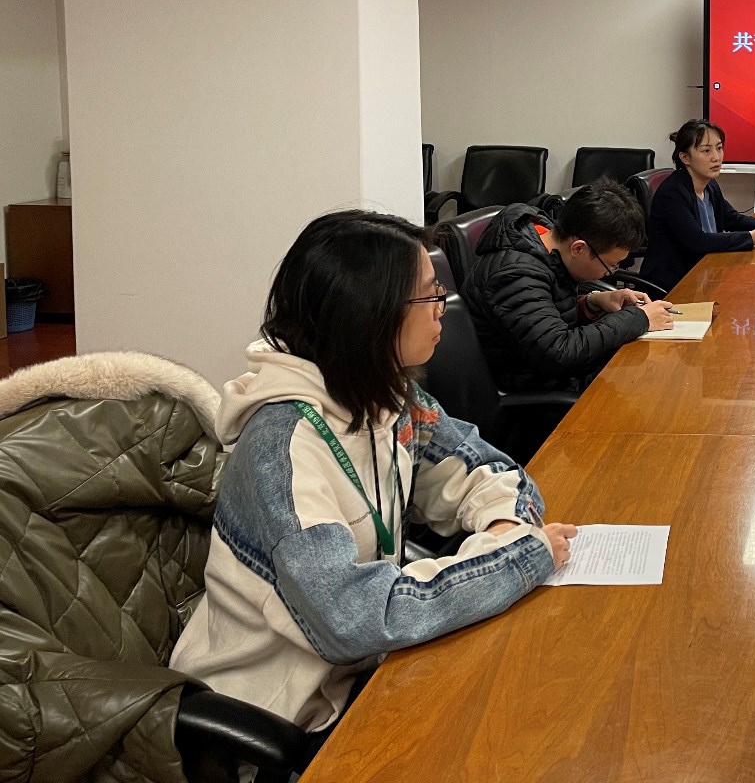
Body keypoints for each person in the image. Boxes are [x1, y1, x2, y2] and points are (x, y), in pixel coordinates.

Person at [170, 210, 577, 733]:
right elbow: (355, 619)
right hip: (286, 710)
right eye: (429, 295)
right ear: (370, 314)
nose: (442, 309)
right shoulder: (283, 450)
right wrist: (515, 558)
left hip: (370, 672)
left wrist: (503, 528)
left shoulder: (386, 396)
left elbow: (491, 470)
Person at [466, 179, 674, 394]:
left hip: (562, 375)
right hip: (539, 393)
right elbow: (558, 351)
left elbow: (547, 313)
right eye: (611, 265)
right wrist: (638, 319)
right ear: (578, 248)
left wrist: (591, 303)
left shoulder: (547, 240)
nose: (611, 273)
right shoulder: (515, 275)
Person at [640, 118, 755, 292]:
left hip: (705, 273)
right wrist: (751, 238)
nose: (716, 157)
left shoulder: (710, 185)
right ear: (685, 157)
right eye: (706, 151)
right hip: (673, 285)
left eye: (719, 148)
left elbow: (731, 218)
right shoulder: (672, 193)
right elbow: (698, 241)